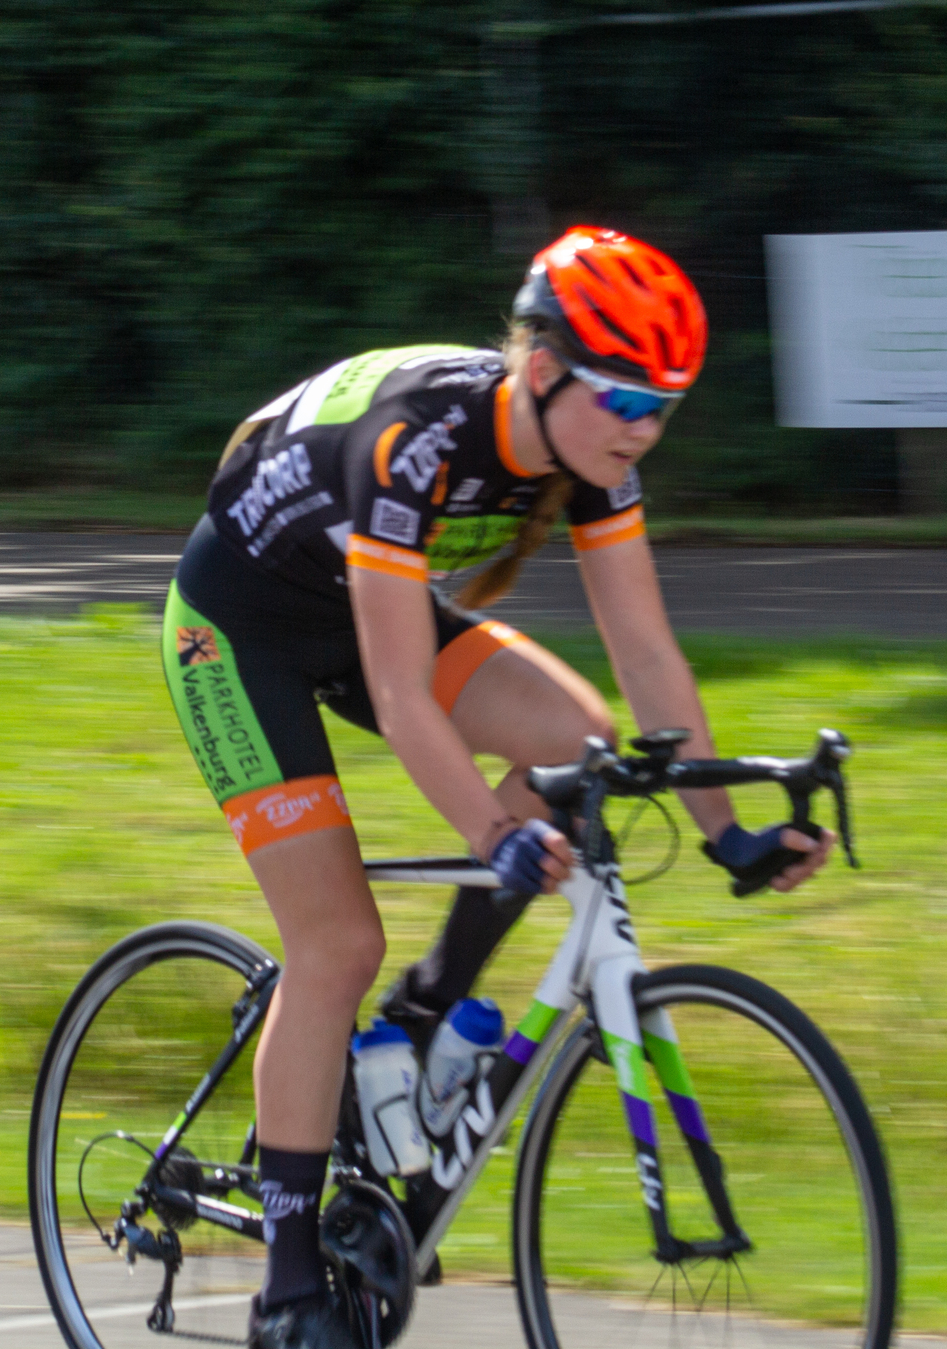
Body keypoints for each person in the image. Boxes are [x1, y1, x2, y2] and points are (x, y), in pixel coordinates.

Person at [158, 227, 835, 1349]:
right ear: (542, 365)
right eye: (623, 396)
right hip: (238, 636)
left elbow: (647, 655)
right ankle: (285, 1289)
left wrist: (728, 834)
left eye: (664, 403)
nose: (643, 428)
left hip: (359, 611)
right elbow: (398, 688)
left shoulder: (592, 462)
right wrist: (486, 828)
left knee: (582, 745)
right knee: (334, 946)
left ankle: (424, 1017)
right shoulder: (417, 440)